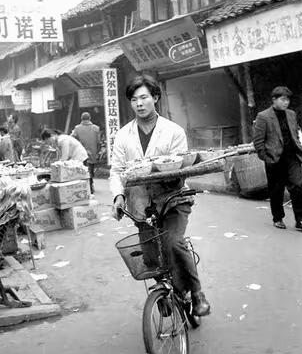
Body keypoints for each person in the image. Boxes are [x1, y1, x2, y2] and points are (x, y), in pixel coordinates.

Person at [110, 74, 210, 317]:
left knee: (174, 242)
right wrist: (118, 196)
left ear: (155, 98)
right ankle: (164, 290)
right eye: (134, 99)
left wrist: (165, 173)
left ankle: (197, 292)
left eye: (144, 97)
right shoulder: (123, 135)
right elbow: (116, 171)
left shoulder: (173, 131)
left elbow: (180, 165)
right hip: (141, 204)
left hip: (172, 199)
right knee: (150, 256)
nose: (139, 103)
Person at [253, 86, 302, 231]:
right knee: (276, 190)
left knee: (298, 185)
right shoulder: (263, 116)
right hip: (274, 158)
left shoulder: (291, 114)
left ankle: (300, 219)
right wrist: (266, 157)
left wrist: (299, 148)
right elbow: (258, 141)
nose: (286, 102)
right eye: (283, 99)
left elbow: (295, 134)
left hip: (292, 157)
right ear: (274, 100)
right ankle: (278, 218)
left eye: (287, 100)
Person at [71, 112, 100, 193]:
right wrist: (97, 152)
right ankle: (90, 184)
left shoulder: (77, 128)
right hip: (93, 152)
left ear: (81, 118)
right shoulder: (96, 128)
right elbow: (98, 142)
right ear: (90, 118)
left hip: (81, 152)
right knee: (91, 168)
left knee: (83, 169)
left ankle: (87, 185)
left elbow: (72, 138)